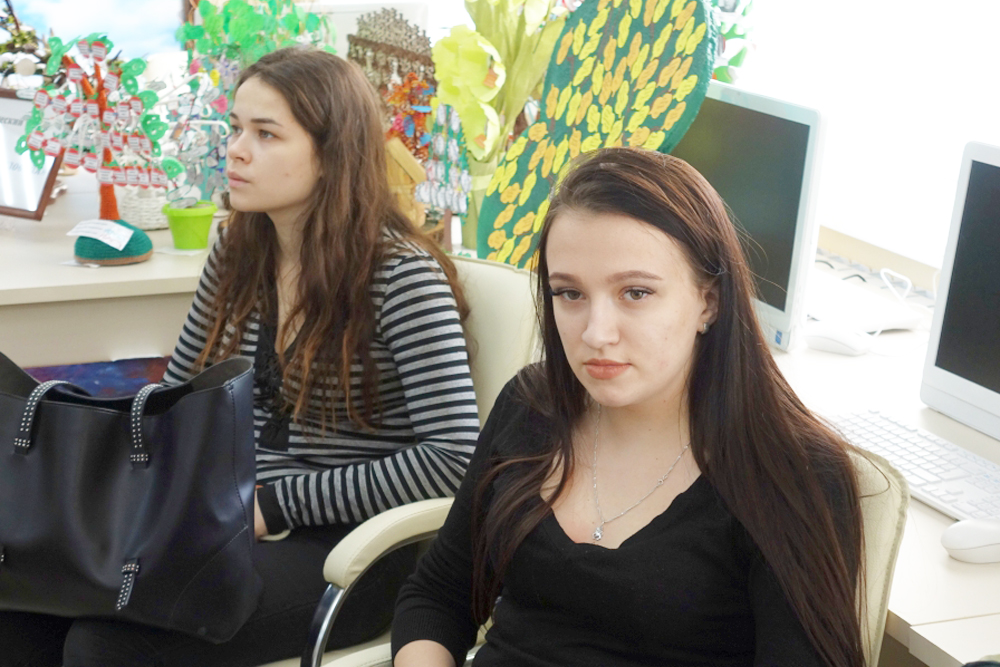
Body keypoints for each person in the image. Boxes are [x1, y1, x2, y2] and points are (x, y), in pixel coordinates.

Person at [0, 47, 479, 667]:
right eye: (235, 128)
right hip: (222, 525)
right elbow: (175, 403)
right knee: (23, 606)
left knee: (107, 644)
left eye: (265, 134)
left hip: (352, 551)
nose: (235, 151)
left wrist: (274, 506)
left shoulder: (400, 277)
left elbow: (454, 460)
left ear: (332, 155)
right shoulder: (235, 254)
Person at [392, 147, 866, 667]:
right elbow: (438, 594)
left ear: (708, 302)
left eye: (635, 293)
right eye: (569, 294)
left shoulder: (790, 473)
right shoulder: (532, 406)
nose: (597, 333)